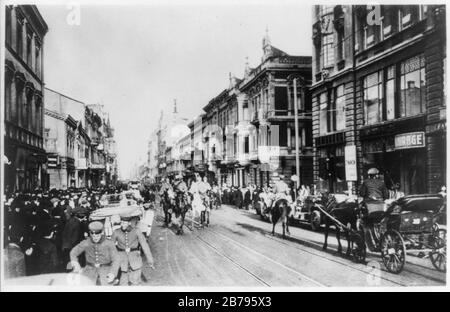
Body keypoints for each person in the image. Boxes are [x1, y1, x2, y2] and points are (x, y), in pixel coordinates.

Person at [70, 221, 120, 285]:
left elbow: (116, 259)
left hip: (106, 273)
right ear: (90, 234)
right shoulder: (86, 242)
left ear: (101, 233)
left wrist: (112, 273)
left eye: (97, 235)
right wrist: (75, 263)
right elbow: (73, 252)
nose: (95, 238)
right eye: (93, 236)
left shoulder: (109, 243)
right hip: (89, 272)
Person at [111, 213, 155, 285]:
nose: (122, 224)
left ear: (129, 223)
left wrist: (150, 261)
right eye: (121, 222)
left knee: (135, 283)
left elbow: (145, 246)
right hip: (122, 261)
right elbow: (110, 247)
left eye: (124, 223)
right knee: (123, 283)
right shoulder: (116, 232)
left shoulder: (136, 231)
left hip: (135, 260)